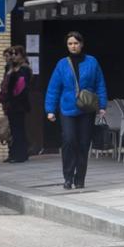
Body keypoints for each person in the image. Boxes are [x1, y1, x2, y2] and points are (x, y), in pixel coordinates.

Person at [45, 31, 107, 190]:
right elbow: (54, 87)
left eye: (76, 43)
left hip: (86, 109)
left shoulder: (92, 62)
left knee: (84, 143)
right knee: (69, 140)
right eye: (70, 44)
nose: (73, 46)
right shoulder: (62, 64)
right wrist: (50, 109)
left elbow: (100, 84)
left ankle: (80, 179)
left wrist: (102, 106)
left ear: (81, 44)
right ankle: (68, 177)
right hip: (67, 108)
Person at [0, 46, 33, 163]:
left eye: (16, 54)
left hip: (18, 104)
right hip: (11, 103)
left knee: (18, 130)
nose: (13, 57)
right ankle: (13, 153)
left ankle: (20, 154)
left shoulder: (24, 69)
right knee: (13, 130)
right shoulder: (11, 68)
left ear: (22, 56)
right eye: (12, 54)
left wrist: (10, 97)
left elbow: (19, 88)